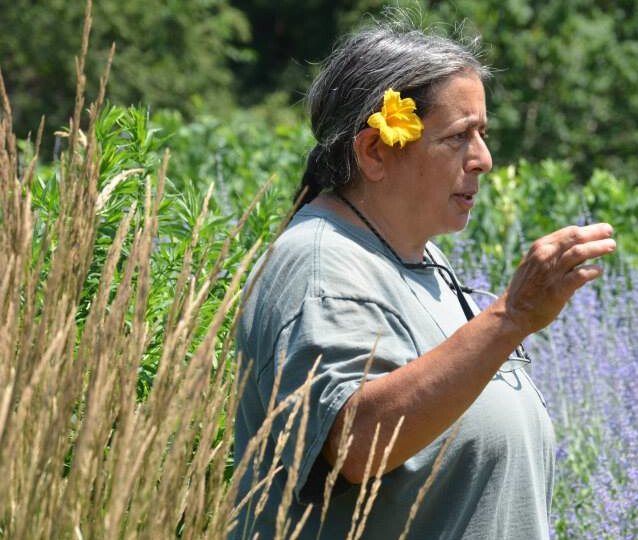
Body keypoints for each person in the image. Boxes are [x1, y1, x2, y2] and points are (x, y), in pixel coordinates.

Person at [230, 16, 616, 540]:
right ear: (375, 151)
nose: (483, 160)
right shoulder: (322, 266)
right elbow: (356, 443)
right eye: (459, 137)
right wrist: (511, 316)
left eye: (482, 133)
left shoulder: (417, 257)